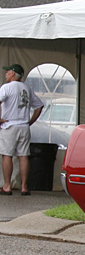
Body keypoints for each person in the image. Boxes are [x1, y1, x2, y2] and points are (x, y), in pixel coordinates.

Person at [0, 63, 45, 195]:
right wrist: (30, 121)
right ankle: (24, 187)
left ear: (13, 73)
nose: (5, 74)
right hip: (24, 127)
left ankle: (7, 186)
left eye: (7, 72)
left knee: (7, 155)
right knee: (23, 156)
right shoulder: (27, 88)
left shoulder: (6, 87)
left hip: (10, 125)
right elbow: (39, 106)